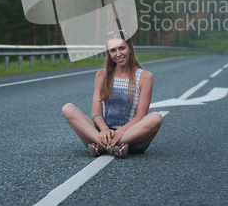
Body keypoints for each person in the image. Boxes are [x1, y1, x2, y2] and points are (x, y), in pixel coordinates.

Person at [62, 29, 163, 158]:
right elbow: (96, 112)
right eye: (113, 50)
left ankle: (103, 146)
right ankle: (111, 147)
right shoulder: (101, 75)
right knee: (68, 109)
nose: (118, 54)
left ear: (130, 48)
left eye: (122, 48)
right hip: (102, 134)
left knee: (156, 118)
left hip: (131, 137)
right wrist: (104, 129)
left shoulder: (145, 77)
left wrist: (120, 132)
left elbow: (140, 116)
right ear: (108, 53)